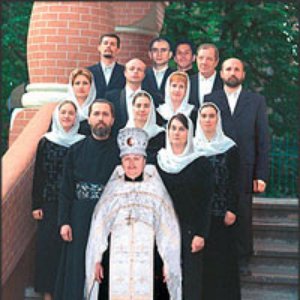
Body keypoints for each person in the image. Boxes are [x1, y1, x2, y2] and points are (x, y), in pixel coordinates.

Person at [85, 127, 182, 300]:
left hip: (150, 262)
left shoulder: (156, 190)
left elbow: (168, 229)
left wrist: (169, 262)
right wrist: (97, 259)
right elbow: (99, 227)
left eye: (136, 159)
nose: (131, 164)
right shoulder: (112, 190)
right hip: (115, 262)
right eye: (127, 159)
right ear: (121, 162)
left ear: (144, 161)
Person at [204, 57, 270, 273]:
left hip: (245, 166)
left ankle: (243, 259)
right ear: (221, 73)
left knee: (242, 212)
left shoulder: (256, 100)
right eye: (228, 69)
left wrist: (261, 174)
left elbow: (262, 139)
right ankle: (217, 258)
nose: (232, 72)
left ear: (243, 74)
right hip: (217, 164)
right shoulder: (210, 98)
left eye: (237, 69)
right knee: (217, 211)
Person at [54, 99, 120, 300]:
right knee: (78, 266)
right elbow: (66, 189)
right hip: (80, 218)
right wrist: (64, 221)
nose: (101, 118)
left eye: (105, 114)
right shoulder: (76, 150)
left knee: (107, 267)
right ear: (89, 119)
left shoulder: (121, 152)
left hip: (111, 218)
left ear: (112, 119)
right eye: (97, 114)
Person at [156, 113, 214, 300]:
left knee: (190, 278)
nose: (177, 133)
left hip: (190, 230)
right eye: (173, 128)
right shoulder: (158, 160)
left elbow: (206, 201)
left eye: (181, 128)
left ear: (189, 132)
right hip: (163, 229)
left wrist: (201, 233)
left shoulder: (200, 163)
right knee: (163, 277)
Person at [31, 100, 85, 300]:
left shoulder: (82, 141)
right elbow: (39, 173)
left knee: (68, 249)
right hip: (50, 202)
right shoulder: (46, 140)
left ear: (76, 117)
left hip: (73, 202)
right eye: (63, 112)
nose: (67, 117)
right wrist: (36, 204)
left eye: (71, 113)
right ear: (57, 115)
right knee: (48, 248)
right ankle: (48, 294)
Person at [194, 102, 241, 300]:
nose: (207, 120)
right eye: (203, 116)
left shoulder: (229, 147)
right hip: (198, 216)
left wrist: (232, 208)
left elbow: (236, 180)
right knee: (201, 264)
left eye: (211, 116)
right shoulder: (192, 146)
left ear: (217, 119)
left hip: (222, 216)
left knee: (222, 262)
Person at [105, 58, 146, 134]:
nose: (135, 71)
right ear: (125, 73)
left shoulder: (152, 97)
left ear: (144, 75)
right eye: (131, 69)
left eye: (139, 69)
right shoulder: (111, 97)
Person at [125, 90, 165, 164]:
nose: (142, 109)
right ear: (132, 108)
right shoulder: (124, 135)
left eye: (146, 106)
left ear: (152, 109)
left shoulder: (161, 135)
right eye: (138, 105)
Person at [87, 33, 126, 98]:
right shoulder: (88, 72)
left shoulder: (125, 72)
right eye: (105, 43)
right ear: (99, 47)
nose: (108, 46)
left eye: (112, 44)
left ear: (118, 49)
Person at [142, 37, 175, 107]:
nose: (159, 54)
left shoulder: (176, 75)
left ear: (170, 54)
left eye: (163, 50)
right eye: (155, 50)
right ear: (150, 54)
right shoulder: (142, 75)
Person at [189, 43, 223, 109]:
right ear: (196, 59)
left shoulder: (224, 83)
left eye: (209, 59)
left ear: (216, 62)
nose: (204, 62)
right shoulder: (188, 82)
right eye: (201, 58)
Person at [66, 67, 97, 135]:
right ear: (72, 86)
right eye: (77, 83)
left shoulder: (96, 109)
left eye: (85, 83)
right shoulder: (64, 108)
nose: (81, 87)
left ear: (91, 86)